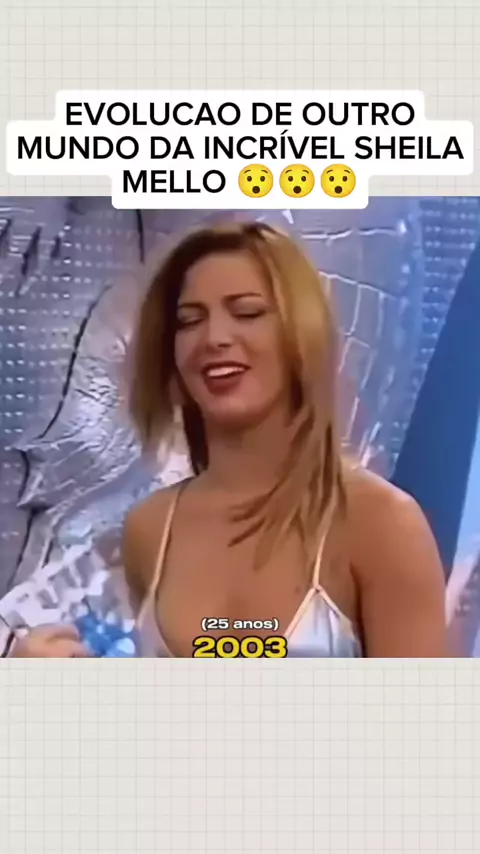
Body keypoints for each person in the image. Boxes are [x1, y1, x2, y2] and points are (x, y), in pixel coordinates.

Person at [10, 221, 448, 658]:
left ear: (301, 334)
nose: (214, 338)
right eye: (189, 321)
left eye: (247, 313)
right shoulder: (151, 530)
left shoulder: (382, 525)